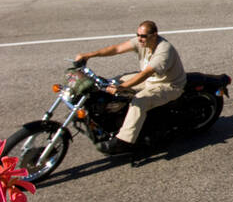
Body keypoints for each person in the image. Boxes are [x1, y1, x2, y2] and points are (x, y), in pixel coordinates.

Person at [74, 20, 186, 155]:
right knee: (112, 82)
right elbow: (116, 49)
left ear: (154, 35)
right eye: (138, 35)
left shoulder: (164, 51)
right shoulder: (141, 42)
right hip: (150, 79)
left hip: (168, 85)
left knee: (139, 100)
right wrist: (88, 55)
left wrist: (122, 87)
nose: (140, 38)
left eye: (143, 36)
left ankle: (124, 141)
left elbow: (146, 73)